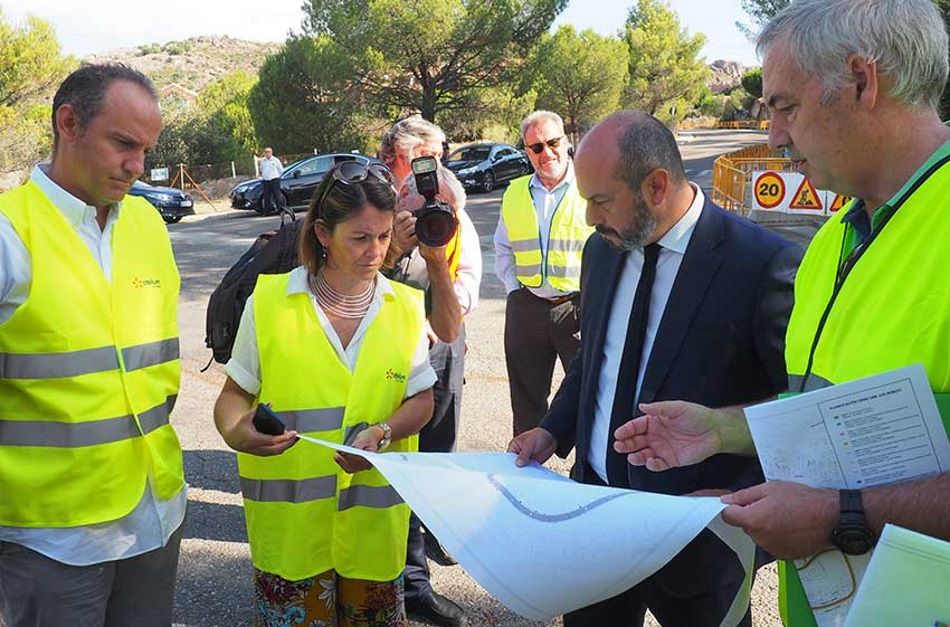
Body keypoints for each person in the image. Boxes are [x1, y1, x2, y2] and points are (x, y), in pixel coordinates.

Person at [613, 1, 950, 626]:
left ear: (861, 81)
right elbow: (830, 415)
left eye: (785, 106)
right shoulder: (832, 241)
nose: (773, 137)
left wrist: (837, 516)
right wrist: (724, 430)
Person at [508, 110, 802, 627]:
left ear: (657, 186)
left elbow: (796, 409)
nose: (591, 218)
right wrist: (552, 430)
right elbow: (595, 360)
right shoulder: (603, 251)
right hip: (596, 515)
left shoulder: (760, 264)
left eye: (600, 201)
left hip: (697, 536)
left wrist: (743, 496)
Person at [0, 64, 186, 626]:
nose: (138, 166)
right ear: (68, 124)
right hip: (51, 539)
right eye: (124, 144)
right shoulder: (10, 234)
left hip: (156, 516)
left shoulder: (148, 224)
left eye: (147, 149)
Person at [214, 162, 436, 626]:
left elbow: (421, 402)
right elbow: (233, 396)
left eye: (381, 237)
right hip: (293, 538)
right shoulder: (270, 304)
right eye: (359, 237)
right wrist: (238, 431)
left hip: (373, 536)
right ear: (321, 233)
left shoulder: (406, 309)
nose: (374, 251)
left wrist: (383, 432)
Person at [379, 116, 482, 627]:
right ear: (405, 154)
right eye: (431, 154)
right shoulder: (371, 201)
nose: (437, 164)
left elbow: (469, 274)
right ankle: (403, 580)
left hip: (442, 345)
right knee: (395, 466)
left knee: (434, 462)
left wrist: (442, 303)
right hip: (387, 360)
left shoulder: (448, 195)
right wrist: (393, 247)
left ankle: (414, 578)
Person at [494, 110, 595, 436]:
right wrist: (514, 290)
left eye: (552, 143)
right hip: (527, 307)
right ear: (526, 151)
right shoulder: (515, 193)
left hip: (579, 309)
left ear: (566, 142)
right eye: (535, 147)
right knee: (525, 406)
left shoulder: (590, 186)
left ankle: (586, 479)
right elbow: (503, 247)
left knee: (590, 399)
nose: (546, 153)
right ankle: (527, 479)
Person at [259, 146, 287, 218]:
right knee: (266, 197)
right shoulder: (262, 161)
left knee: (277, 196)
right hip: (266, 181)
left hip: (274, 180)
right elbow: (261, 170)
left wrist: (277, 177)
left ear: (272, 152)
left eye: (269, 152)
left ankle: (280, 211)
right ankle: (267, 212)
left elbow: (281, 170)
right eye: (266, 152)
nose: (267, 153)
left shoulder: (275, 160)